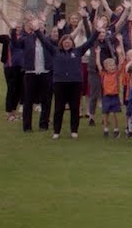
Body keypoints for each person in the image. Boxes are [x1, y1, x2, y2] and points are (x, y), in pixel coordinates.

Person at [35, 12, 100, 140]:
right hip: (59, 83)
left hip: (75, 83)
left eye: (69, 41)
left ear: (72, 43)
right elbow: (44, 41)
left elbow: (91, 41)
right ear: (61, 42)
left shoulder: (78, 51)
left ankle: (74, 130)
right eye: (65, 41)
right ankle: (56, 131)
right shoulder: (55, 51)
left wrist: (97, 30)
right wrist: (37, 30)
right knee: (58, 108)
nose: (67, 43)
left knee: (75, 108)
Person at [0, 10, 23, 122]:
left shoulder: (23, 40)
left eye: (19, 28)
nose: (17, 29)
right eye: (16, 28)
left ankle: (14, 112)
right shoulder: (6, 38)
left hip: (21, 68)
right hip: (9, 68)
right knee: (11, 89)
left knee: (19, 90)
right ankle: (9, 113)